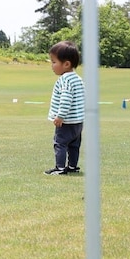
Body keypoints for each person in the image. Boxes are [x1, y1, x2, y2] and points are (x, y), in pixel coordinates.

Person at [45, 40, 85, 175]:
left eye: (54, 62)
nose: (52, 65)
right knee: (74, 145)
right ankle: (73, 166)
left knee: (60, 143)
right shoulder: (77, 79)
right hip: (78, 121)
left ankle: (60, 168)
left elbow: (65, 99)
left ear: (66, 64)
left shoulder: (65, 80)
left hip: (66, 122)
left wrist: (60, 116)